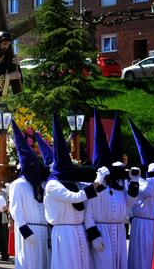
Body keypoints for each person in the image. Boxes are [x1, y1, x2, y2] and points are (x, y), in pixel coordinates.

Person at [43, 114, 108, 269]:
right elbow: (74, 197)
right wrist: (97, 182)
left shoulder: (70, 181)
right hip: (64, 233)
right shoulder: (52, 185)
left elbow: (85, 188)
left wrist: (101, 181)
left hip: (78, 230)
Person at [84, 110, 139, 269]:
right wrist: (94, 235)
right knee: (104, 264)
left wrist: (134, 183)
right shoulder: (96, 186)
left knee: (120, 264)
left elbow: (129, 203)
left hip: (119, 231)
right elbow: (88, 212)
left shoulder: (118, 185)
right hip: (103, 230)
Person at [9, 120, 50, 269]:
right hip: (28, 232)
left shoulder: (42, 184)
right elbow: (15, 209)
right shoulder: (18, 185)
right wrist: (24, 230)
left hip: (44, 231)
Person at [128, 119, 154, 269]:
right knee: (142, 259)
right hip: (141, 224)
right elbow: (149, 192)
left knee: (153, 259)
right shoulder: (139, 180)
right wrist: (151, 174)